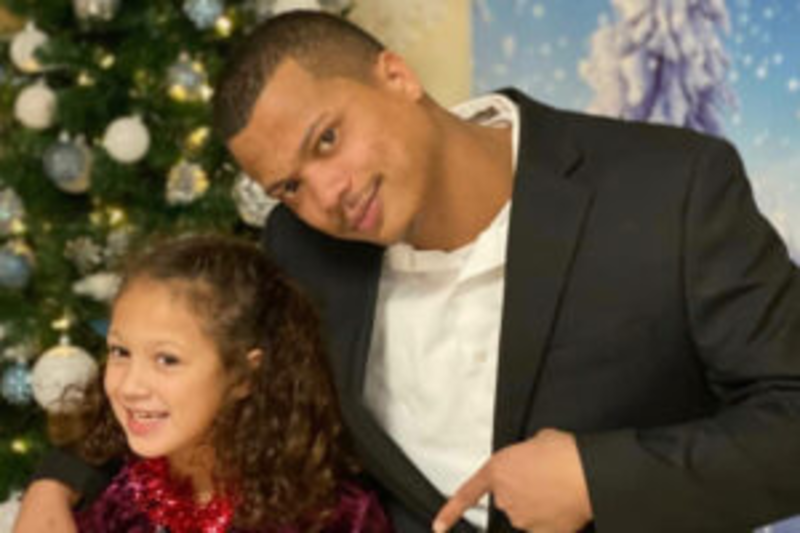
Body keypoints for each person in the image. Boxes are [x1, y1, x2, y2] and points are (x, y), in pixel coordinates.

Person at [20, 10, 800, 533]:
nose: (325, 194)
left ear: (396, 76)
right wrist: (57, 484)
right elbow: (187, 360)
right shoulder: (301, 247)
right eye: (289, 185)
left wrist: (598, 477)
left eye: (327, 139)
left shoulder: (671, 187)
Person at [14, 234, 391, 532]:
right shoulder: (112, 497)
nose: (129, 386)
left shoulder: (333, 518)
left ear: (243, 375)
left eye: (167, 360)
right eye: (120, 351)